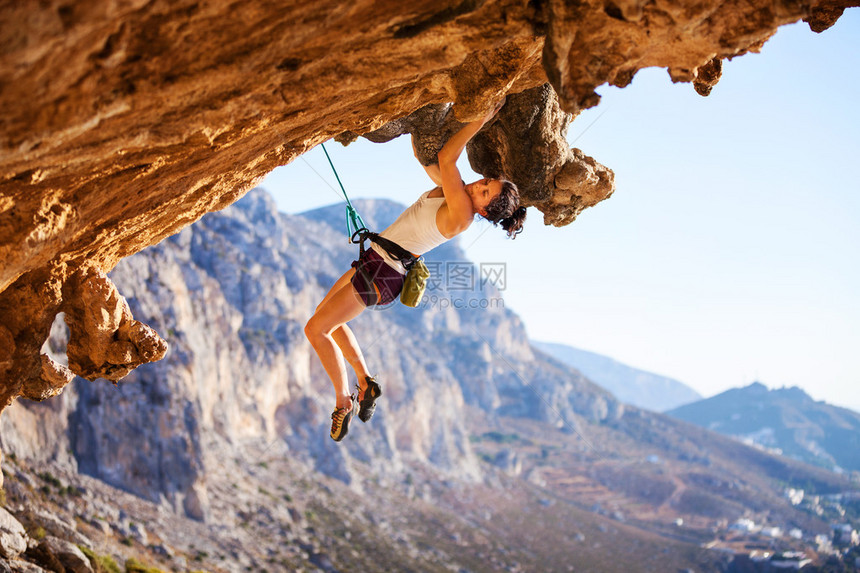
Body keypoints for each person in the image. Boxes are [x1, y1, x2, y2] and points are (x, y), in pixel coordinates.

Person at [304, 102, 527, 442]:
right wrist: (412, 121)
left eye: (485, 191)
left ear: (483, 211)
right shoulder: (459, 194)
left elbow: (448, 159)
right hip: (376, 262)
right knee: (327, 320)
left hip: (383, 273)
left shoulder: (461, 214)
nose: (480, 184)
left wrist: (479, 120)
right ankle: (365, 383)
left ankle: (343, 401)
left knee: (316, 329)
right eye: (487, 181)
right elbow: (429, 162)